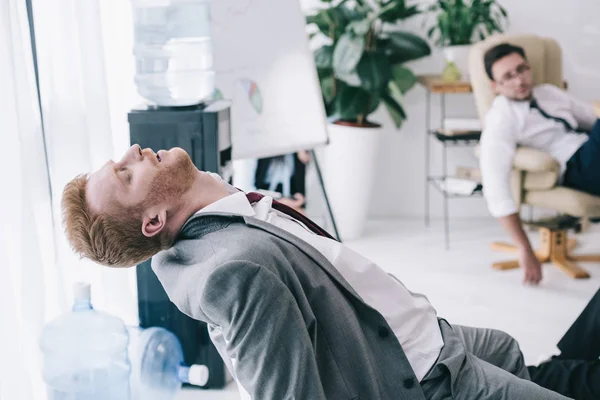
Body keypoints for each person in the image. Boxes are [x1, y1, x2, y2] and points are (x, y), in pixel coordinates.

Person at [63, 145, 591, 399]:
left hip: (429, 335)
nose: (132, 153)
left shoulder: (225, 207)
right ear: (153, 220)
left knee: (512, 351)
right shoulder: (236, 272)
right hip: (429, 381)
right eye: (126, 174)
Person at [479, 43, 600, 285]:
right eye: (508, 77)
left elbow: (590, 117)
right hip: (577, 167)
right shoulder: (501, 118)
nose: (519, 80)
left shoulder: (549, 93)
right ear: (495, 86)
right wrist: (524, 247)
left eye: (521, 69)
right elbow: (495, 184)